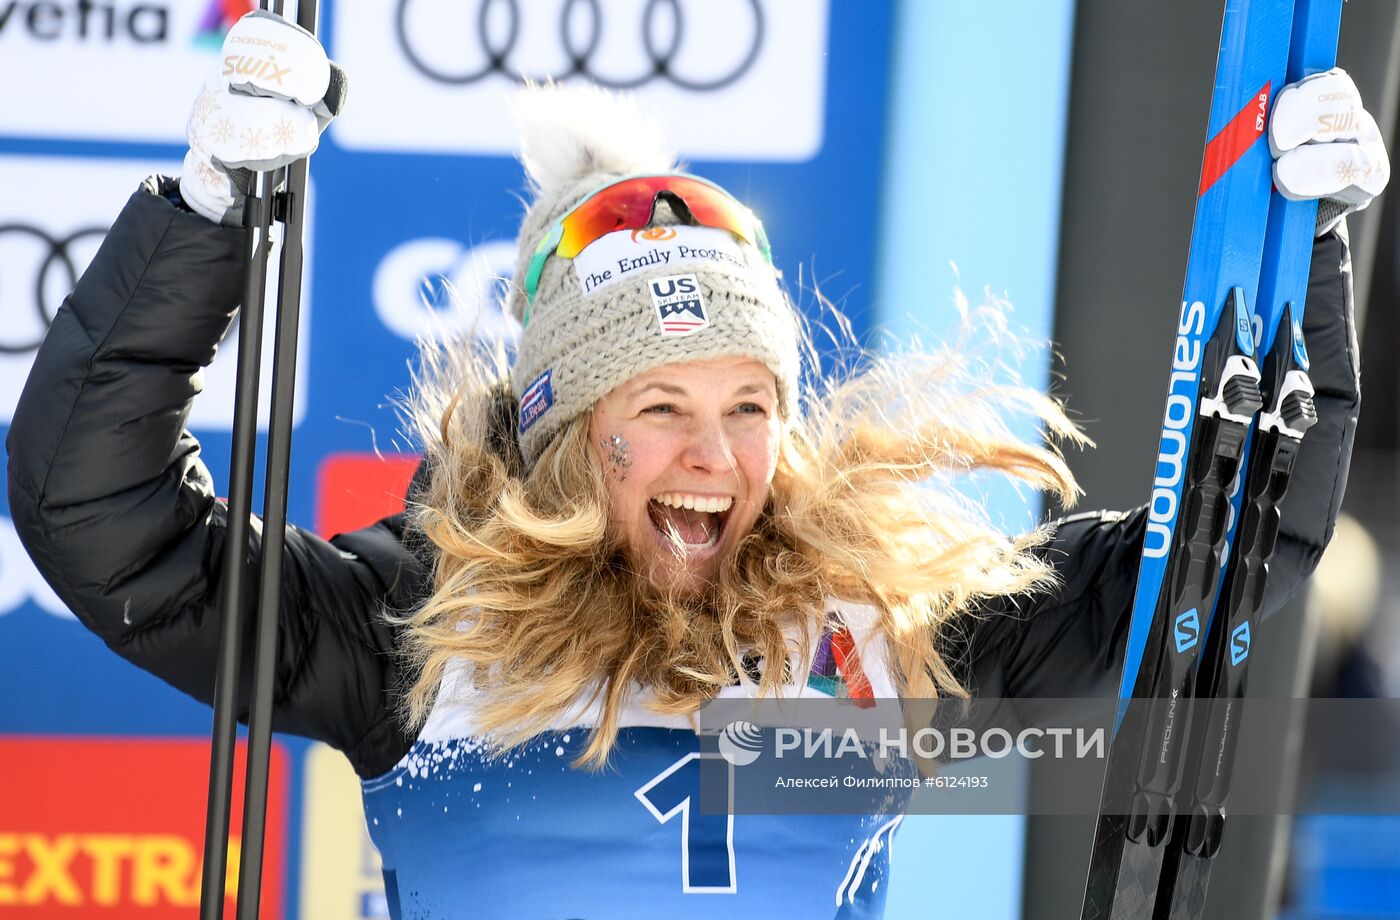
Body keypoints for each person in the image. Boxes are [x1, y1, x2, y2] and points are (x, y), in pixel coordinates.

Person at [5, 11, 1386, 919]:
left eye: (748, 403)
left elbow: (1228, 554)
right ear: (563, 431)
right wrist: (202, 212)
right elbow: (97, 511)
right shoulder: (420, 629)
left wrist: (1304, 246)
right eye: (658, 404)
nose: (713, 455)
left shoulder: (879, 628)